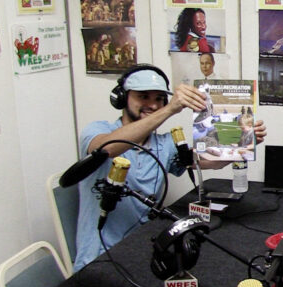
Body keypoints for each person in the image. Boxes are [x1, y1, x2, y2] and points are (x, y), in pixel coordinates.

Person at [73, 64, 267, 271]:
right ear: (122, 98)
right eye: (143, 97)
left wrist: (242, 144)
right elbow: (107, 149)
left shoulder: (164, 144)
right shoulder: (97, 130)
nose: (153, 105)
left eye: (159, 99)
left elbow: (210, 160)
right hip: (99, 257)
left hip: (141, 249)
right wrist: (169, 109)